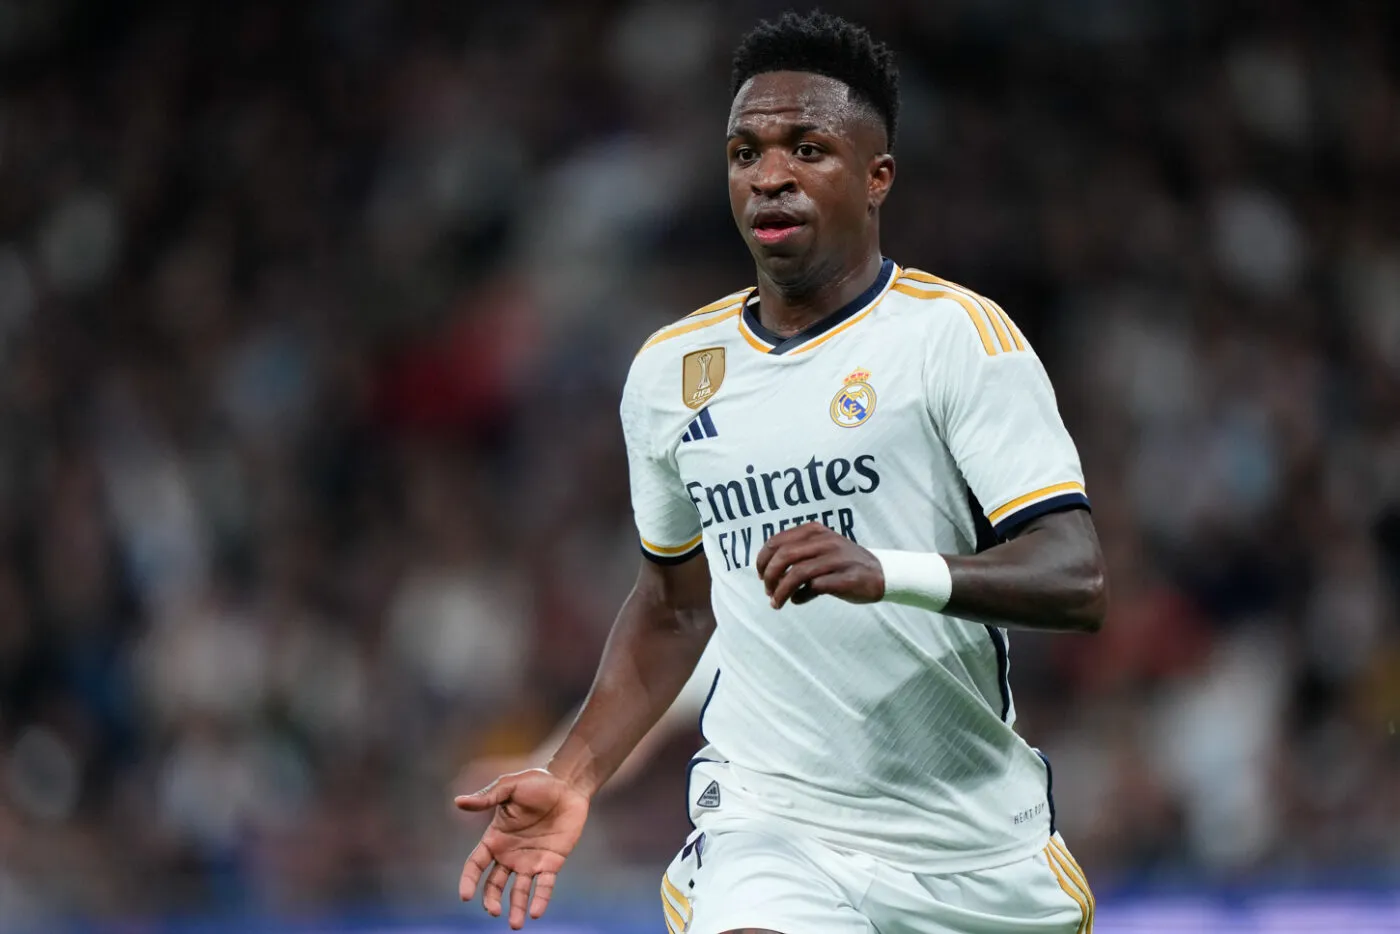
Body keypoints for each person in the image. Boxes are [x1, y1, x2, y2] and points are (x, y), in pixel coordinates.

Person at [456, 11, 1107, 933]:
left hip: (972, 844)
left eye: (808, 149)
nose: (770, 175)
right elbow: (674, 607)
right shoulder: (671, 373)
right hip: (772, 829)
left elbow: (1076, 578)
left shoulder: (955, 338)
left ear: (878, 177)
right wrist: (572, 776)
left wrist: (887, 573)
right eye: (745, 152)